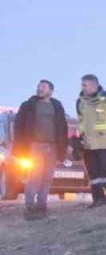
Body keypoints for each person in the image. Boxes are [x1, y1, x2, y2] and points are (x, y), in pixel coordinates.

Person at [12, 80, 69, 220]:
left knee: (47, 177)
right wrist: (19, 145)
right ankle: (30, 206)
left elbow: (63, 127)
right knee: (34, 177)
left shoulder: (57, 106)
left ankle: (42, 205)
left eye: (43, 87)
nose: (39, 89)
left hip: (53, 146)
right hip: (35, 146)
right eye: (38, 87)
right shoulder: (28, 105)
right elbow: (18, 125)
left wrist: (64, 145)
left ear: (51, 90)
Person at [77, 74, 106, 208]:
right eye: (82, 85)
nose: (82, 88)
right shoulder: (80, 102)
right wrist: (80, 138)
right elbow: (82, 122)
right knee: (93, 173)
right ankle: (98, 199)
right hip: (89, 143)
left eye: (85, 85)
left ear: (94, 85)